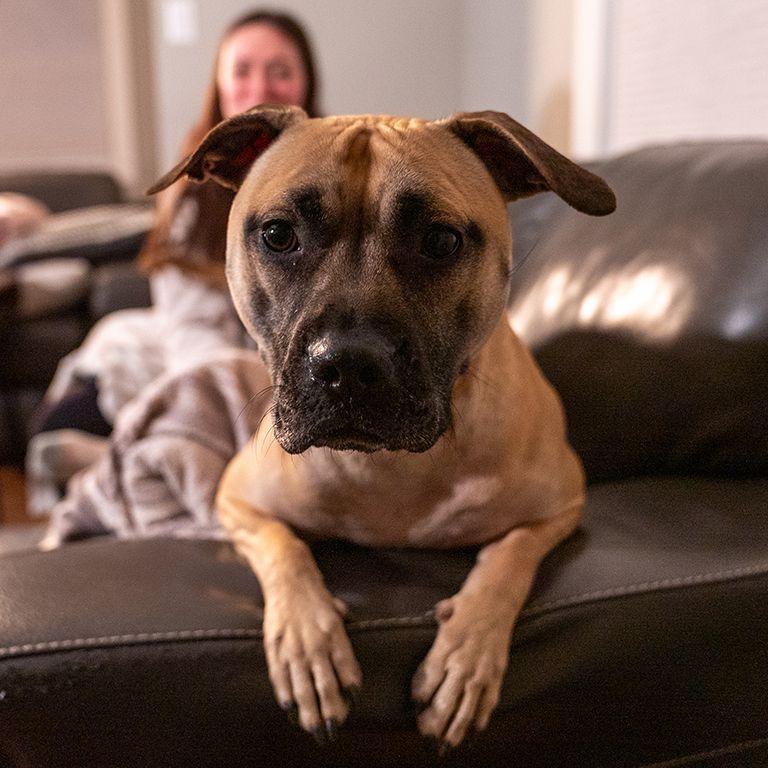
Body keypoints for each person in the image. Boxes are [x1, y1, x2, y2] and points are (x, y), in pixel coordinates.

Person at [26, 10, 320, 515]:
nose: (261, 87)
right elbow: (188, 326)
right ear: (220, 85)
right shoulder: (195, 182)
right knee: (60, 420)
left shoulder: (332, 168)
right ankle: (126, 458)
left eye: (280, 70)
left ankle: (119, 462)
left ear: (306, 83)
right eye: (243, 71)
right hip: (190, 346)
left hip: (284, 355)